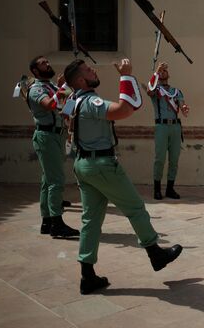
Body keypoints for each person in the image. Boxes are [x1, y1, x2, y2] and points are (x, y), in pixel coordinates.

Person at [63, 58, 183, 295]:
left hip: (83, 164)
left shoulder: (72, 100)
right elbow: (124, 110)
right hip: (102, 164)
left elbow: (65, 118)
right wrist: (126, 75)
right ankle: (155, 253)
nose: (93, 70)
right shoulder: (90, 101)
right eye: (88, 70)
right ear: (80, 80)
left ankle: (87, 275)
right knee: (136, 208)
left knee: (90, 220)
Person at [27, 56, 79, 238]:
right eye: (43, 63)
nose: (48, 64)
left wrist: (65, 93)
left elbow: (63, 108)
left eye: (48, 62)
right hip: (46, 136)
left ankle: (47, 221)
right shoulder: (35, 89)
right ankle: (57, 223)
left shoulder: (51, 87)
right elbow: (49, 104)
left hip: (57, 135)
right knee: (56, 180)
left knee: (48, 180)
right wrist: (61, 89)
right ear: (35, 70)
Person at [146, 62, 189, 200]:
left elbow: (182, 105)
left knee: (174, 159)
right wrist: (156, 73)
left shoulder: (176, 91)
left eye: (165, 70)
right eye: (161, 71)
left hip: (175, 127)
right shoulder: (156, 90)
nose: (163, 72)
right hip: (161, 127)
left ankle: (170, 188)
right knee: (160, 159)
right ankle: (157, 189)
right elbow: (149, 90)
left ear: (169, 74)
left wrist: (184, 108)